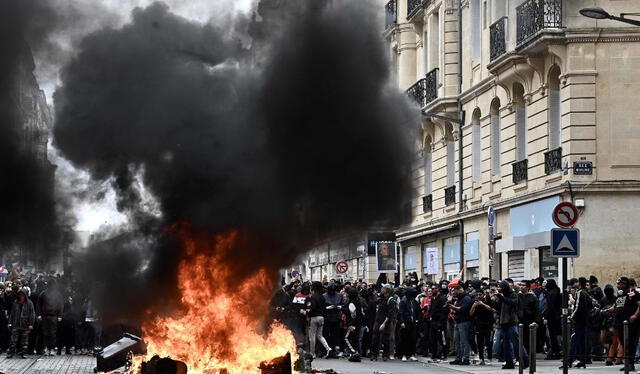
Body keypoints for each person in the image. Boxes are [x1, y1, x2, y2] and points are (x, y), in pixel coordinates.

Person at [607, 277, 640, 372]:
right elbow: (616, 305)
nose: (617, 285)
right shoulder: (620, 294)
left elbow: (639, 304)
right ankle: (627, 363)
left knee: (631, 343)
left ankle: (631, 364)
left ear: (625, 284)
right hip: (620, 324)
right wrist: (609, 310)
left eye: (619, 283)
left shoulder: (632, 292)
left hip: (631, 324)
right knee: (623, 343)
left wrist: (635, 315)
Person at [36, 279, 63, 356]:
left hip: (52, 316)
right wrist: (39, 314)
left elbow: (60, 305)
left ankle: (51, 348)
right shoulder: (44, 294)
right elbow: (39, 305)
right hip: (47, 316)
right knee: (46, 333)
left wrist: (60, 315)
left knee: (51, 333)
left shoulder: (56, 294)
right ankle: (48, 348)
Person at [448, 284, 472, 366]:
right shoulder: (459, 299)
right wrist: (453, 310)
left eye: (455, 291)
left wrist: (452, 307)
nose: (454, 293)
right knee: (456, 341)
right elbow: (458, 309)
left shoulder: (467, 298)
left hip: (464, 322)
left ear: (459, 290)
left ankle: (466, 359)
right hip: (458, 322)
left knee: (464, 341)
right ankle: (458, 358)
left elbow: (463, 309)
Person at [7, 288, 35, 359]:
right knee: (13, 340)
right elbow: (12, 314)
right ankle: (11, 352)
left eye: (22, 295)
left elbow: (32, 314)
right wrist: (10, 322)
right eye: (20, 295)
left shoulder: (29, 303)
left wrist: (31, 324)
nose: (21, 296)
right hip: (16, 324)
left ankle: (24, 353)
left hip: (25, 324)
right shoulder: (15, 303)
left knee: (25, 340)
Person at [306, 281, 332, 358]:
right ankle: (328, 348)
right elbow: (324, 308)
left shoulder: (313, 297)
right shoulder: (322, 297)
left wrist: (308, 313)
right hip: (321, 317)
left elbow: (312, 308)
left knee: (312, 336)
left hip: (314, 317)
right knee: (320, 336)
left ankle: (312, 354)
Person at [569, 277, 590, 368]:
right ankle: (582, 361)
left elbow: (578, 307)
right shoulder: (586, 293)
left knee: (574, 340)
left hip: (579, 321)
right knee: (582, 342)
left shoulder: (580, 293)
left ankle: (569, 361)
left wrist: (572, 317)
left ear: (578, 283)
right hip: (584, 320)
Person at [471, 287, 495, 365]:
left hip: (488, 325)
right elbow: (471, 314)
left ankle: (490, 358)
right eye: (477, 295)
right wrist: (473, 306)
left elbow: (491, 309)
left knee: (489, 342)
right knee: (479, 343)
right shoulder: (475, 303)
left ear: (483, 295)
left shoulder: (487, 301)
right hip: (479, 325)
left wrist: (482, 304)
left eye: (480, 294)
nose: (478, 296)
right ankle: (481, 359)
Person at [601, 284, 623, 366]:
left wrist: (605, 311)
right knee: (621, 341)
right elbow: (618, 310)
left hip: (612, 323)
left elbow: (612, 309)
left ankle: (609, 359)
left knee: (614, 342)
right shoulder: (621, 298)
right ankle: (619, 359)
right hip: (619, 322)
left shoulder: (617, 298)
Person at [398, 287, 419, 361]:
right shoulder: (403, 301)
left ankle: (412, 354)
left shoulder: (413, 301)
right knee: (404, 339)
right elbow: (401, 313)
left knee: (413, 338)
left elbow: (416, 311)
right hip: (405, 323)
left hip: (412, 322)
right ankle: (403, 354)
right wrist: (402, 322)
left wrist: (417, 320)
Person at [543, 278, 562, 360]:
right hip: (557, 316)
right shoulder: (556, 292)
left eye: (546, 283)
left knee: (552, 335)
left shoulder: (551, 294)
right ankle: (556, 351)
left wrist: (546, 317)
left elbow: (550, 307)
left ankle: (555, 352)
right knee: (555, 335)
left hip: (552, 317)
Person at [323, 282, 342, 357]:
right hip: (327, 317)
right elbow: (321, 307)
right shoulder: (324, 296)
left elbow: (342, 304)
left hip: (336, 317)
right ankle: (327, 350)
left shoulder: (338, 296)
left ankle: (333, 350)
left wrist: (339, 307)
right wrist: (327, 308)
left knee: (335, 335)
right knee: (326, 334)